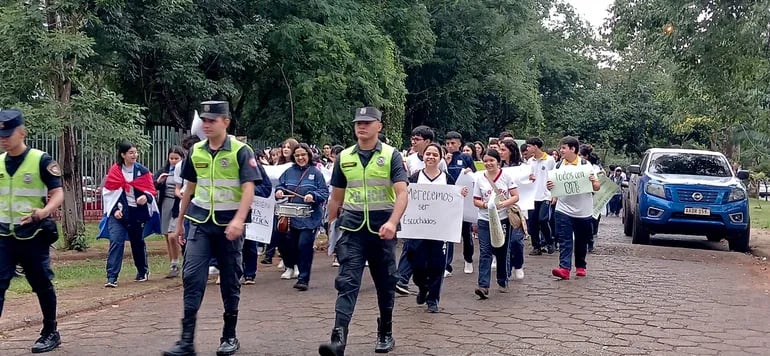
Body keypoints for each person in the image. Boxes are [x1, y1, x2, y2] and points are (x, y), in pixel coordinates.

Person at [164, 101, 261, 356]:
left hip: (229, 224)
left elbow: (249, 187)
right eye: (204, 120)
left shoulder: (241, 151)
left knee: (230, 279)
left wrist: (240, 219)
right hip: (200, 223)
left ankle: (229, 335)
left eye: (212, 120)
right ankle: (186, 341)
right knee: (192, 276)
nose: (206, 125)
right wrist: (181, 220)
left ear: (225, 122)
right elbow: (189, 187)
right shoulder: (196, 151)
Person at [318, 107, 408, 356]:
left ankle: (385, 331)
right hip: (352, 228)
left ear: (379, 126)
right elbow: (336, 198)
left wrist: (392, 222)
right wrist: (331, 231)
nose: (362, 126)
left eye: (368, 122)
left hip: (382, 230)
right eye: (358, 122)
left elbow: (402, 193)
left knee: (385, 282)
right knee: (347, 282)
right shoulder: (344, 157)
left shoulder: (392, 155)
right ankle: (338, 338)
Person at [0, 109, 64, 353]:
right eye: (1, 135)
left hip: (33, 235)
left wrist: (43, 212)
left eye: (8, 133)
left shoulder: (41, 160)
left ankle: (50, 331)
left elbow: (58, 192)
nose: (4, 139)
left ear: (22, 132)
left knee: (41, 283)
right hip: (4, 235)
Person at [405, 143, 468, 313]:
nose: (431, 157)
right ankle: (422, 286)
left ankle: (433, 299)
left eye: (435, 154)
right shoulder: (415, 178)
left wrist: (461, 194)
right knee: (416, 263)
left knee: (437, 264)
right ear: (423, 156)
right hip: (418, 229)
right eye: (428, 154)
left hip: (440, 230)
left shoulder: (447, 179)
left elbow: (454, 200)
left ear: (440, 158)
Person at [98, 141, 161, 288]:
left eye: (136, 152)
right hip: (118, 213)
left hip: (136, 212)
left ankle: (142, 270)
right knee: (116, 241)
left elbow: (151, 190)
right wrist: (114, 210)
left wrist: (146, 197)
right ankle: (111, 277)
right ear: (123, 155)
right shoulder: (115, 170)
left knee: (137, 242)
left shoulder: (142, 171)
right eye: (131, 153)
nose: (135, 155)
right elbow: (109, 193)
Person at [274, 143, 329, 290]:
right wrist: (279, 191)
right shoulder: (288, 172)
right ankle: (290, 266)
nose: (300, 158)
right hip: (291, 217)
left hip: (310, 218)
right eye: (297, 155)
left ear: (309, 155)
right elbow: (280, 186)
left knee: (304, 245)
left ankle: (303, 278)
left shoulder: (315, 173)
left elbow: (324, 192)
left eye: (303, 155)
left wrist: (313, 195)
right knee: (287, 243)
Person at [547, 137, 601, 280]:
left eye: (564, 148)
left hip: (583, 210)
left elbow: (597, 187)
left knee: (581, 240)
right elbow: (553, 186)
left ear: (573, 149)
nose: (561, 151)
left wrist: (592, 182)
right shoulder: (558, 166)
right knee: (564, 239)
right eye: (561, 148)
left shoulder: (585, 165)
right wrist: (551, 189)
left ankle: (580, 266)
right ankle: (564, 268)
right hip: (563, 208)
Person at [472, 149, 519, 299]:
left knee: (502, 250)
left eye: (491, 160)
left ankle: (502, 279)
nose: (488, 163)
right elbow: (476, 200)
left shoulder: (506, 176)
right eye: (485, 161)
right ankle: (483, 285)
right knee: (485, 251)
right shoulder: (480, 178)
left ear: (498, 161)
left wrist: (503, 204)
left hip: (503, 219)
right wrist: (486, 205)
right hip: (485, 220)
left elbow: (516, 196)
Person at [443, 132, 476, 276]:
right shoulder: (443, 158)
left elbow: (475, 176)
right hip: (448, 201)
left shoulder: (466, 157)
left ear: (459, 144)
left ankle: (468, 259)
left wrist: (470, 171)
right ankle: (446, 265)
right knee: (448, 234)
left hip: (464, 202)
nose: (450, 146)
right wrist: (446, 162)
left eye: (453, 143)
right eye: (448, 143)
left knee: (465, 232)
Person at [155, 146, 186, 278]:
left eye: (176, 158)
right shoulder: (164, 170)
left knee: (173, 235)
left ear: (182, 158)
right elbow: (153, 185)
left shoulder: (185, 171)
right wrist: (159, 181)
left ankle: (181, 261)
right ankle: (173, 264)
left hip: (178, 205)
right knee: (167, 236)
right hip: (165, 204)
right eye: (171, 158)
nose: (173, 161)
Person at [525, 137, 556, 255]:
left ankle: (549, 241)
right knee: (532, 223)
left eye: (529, 146)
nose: (527, 148)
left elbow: (554, 177)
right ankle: (536, 246)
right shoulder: (530, 161)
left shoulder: (549, 160)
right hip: (532, 196)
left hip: (545, 195)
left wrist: (554, 194)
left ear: (535, 146)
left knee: (543, 219)